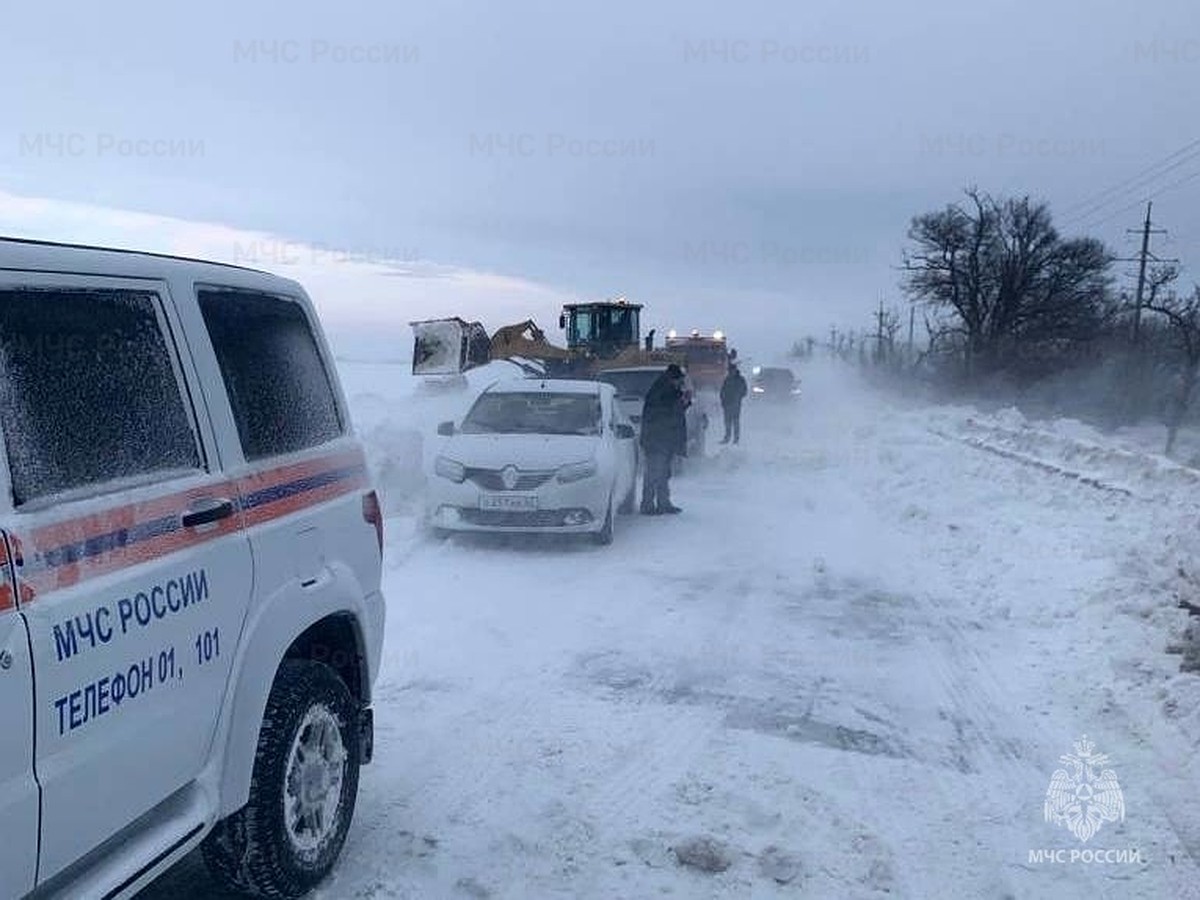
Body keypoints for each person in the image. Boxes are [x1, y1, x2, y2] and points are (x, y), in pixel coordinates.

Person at [639, 363, 687, 514]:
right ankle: (647, 505)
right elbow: (665, 415)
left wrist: (684, 403)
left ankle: (663, 503)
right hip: (657, 440)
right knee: (654, 472)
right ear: (673, 378)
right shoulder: (663, 391)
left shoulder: (666, 389)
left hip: (663, 439)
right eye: (680, 380)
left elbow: (671, 412)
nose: (681, 384)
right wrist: (681, 402)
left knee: (663, 472)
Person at [719, 362, 748, 444]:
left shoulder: (740, 380)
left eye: (731, 370)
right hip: (727, 404)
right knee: (727, 422)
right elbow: (722, 391)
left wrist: (738, 397)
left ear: (735, 370)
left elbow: (744, 391)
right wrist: (722, 400)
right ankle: (727, 438)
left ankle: (736, 439)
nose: (730, 372)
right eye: (729, 370)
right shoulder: (727, 379)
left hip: (736, 404)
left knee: (735, 421)